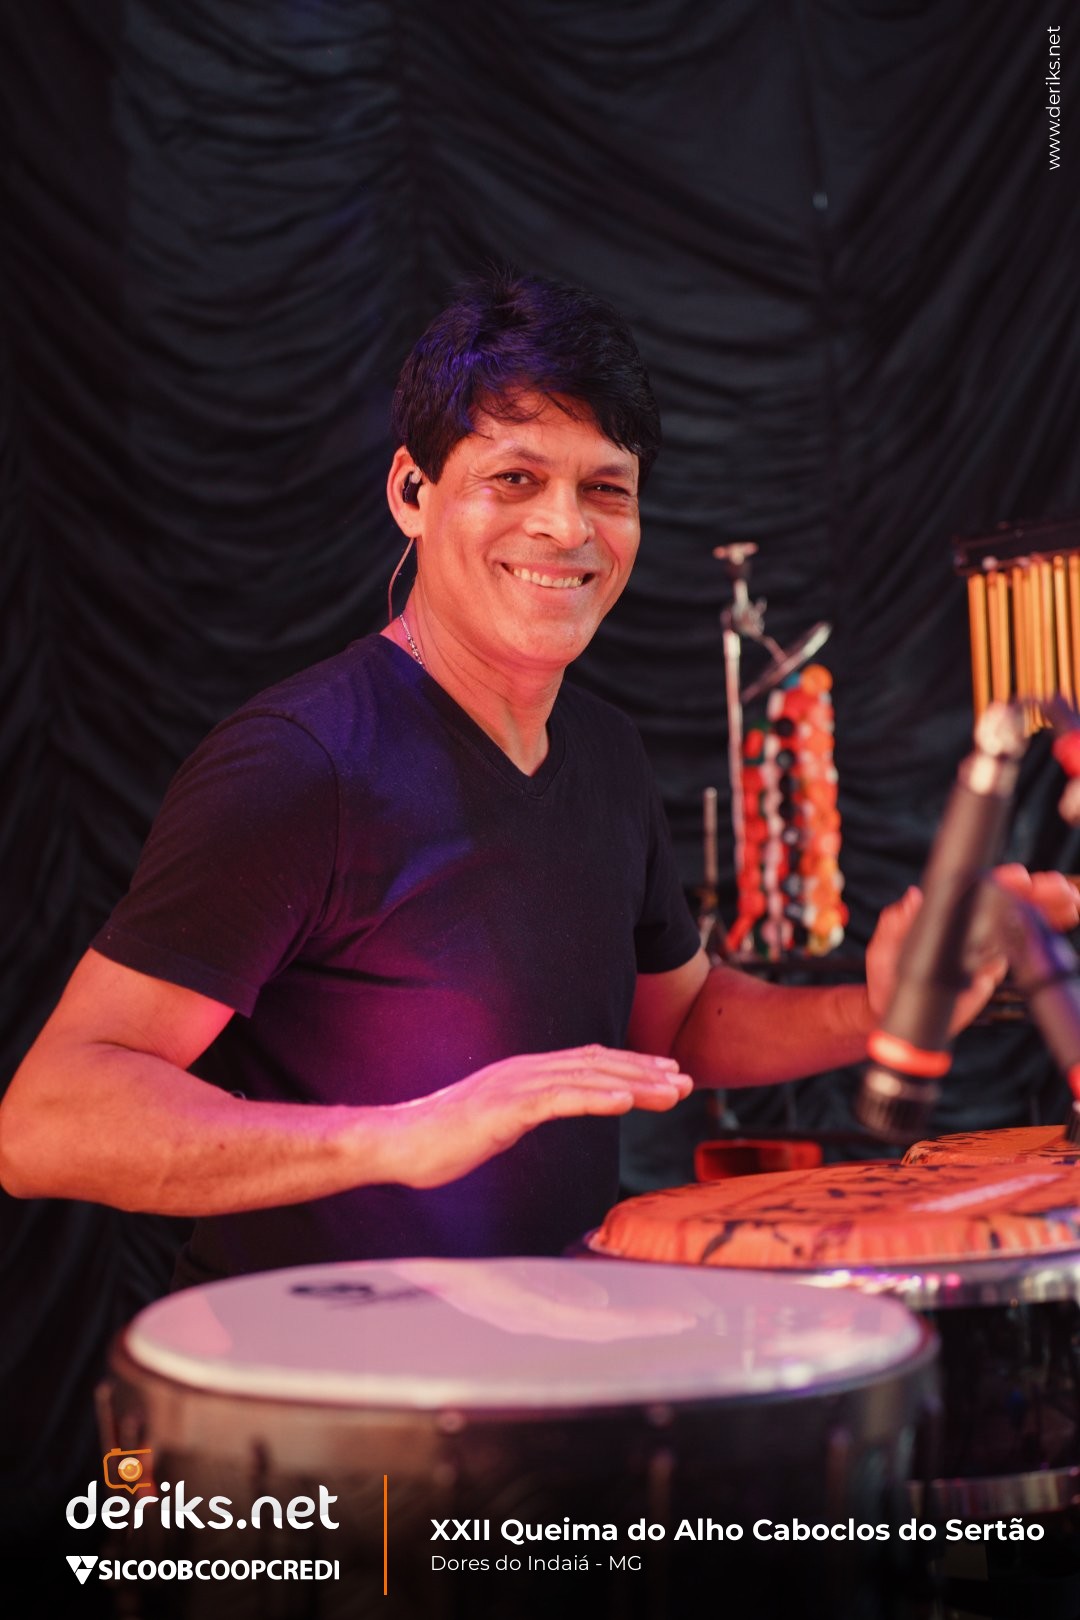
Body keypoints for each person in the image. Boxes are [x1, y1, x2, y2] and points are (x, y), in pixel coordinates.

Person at [1, 270, 1074, 1284]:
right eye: (514, 478)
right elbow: (48, 1122)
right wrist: (402, 1138)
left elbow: (677, 1024)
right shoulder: (300, 762)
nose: (566, 526)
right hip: (323, 1394)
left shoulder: (604, 751)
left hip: (548, 1368)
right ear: (412, 491)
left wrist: (880, 1007)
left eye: (606, 489)